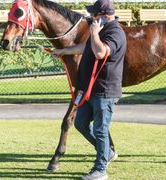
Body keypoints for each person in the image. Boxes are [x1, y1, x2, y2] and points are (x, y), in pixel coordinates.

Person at [52, 0, 127, 179]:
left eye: (95, 15)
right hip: (91, 90)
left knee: (101, 129)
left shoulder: (115, 33)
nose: (92, 18)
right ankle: (107, 152)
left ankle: (100, 169)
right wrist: (63, 52)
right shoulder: (102, 30)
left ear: (106, 16)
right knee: (80, 123)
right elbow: (86, 48)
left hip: (105, 91)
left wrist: (94, 33)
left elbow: (101, 52)